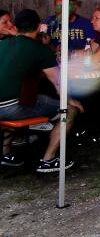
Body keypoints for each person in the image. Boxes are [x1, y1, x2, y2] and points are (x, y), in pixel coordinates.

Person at [0, 9, 84, 172]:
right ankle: (48, 160)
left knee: (35, 98)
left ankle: (6, 153)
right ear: (39, 26)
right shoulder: (40, 50)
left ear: (16, 27)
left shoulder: (3, 44)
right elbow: (58, 83)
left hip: (4, 105)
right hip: (12, 107)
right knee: (69, 110)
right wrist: (71, 100)